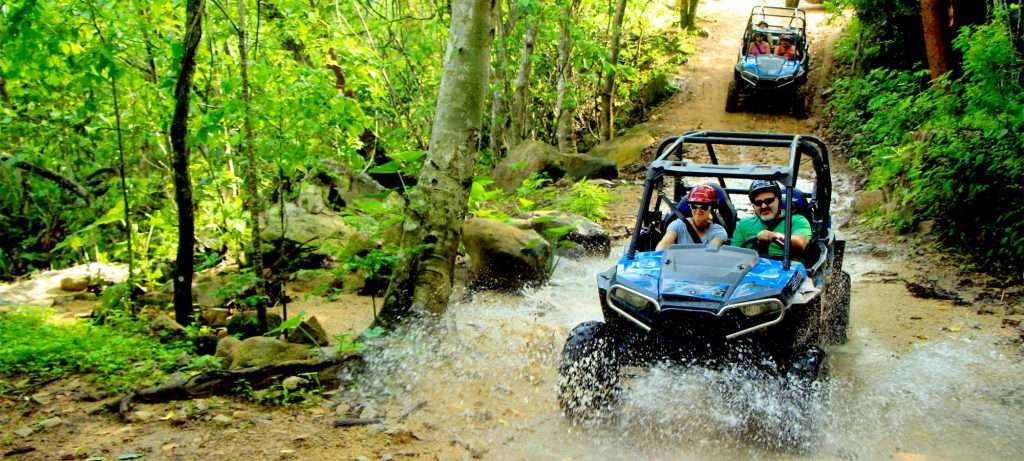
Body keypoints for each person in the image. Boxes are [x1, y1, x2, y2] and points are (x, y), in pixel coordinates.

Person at [731, 180, 811, 258]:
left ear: (779, 200)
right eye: (758, 203)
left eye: (769, 201)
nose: (763, 206)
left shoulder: (797, 220)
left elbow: (800, 243)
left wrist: (775, 236)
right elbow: (733, 255)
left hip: (786, 267)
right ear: (753, 206)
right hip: (751, 267)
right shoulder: (744, 224)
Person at [656, 185, 728, 250]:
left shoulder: (718, 232)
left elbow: (710, 252)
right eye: (694, 206)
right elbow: (663, 246)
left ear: (712, 208)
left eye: (704, 207)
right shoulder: (678, 225)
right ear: (690, 207)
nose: (698, 210)